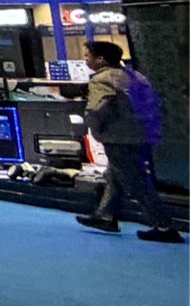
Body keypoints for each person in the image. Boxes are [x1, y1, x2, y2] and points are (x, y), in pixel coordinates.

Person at [77, 40, 179, 242]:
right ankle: (105, 216)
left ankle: (164, 226)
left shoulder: (103, 79)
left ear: (101, 59)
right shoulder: (136, 76)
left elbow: (96, 109)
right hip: (142, 135)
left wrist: (96, 131)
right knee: (115, 176)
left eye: (88, 56)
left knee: (135, 182)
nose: (85, 60)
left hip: (119, 138)